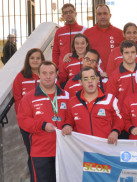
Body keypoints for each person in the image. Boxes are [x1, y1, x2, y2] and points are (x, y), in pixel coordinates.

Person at [17, 61, 69, 182]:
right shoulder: (29, 97)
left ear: (57, 74)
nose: (48, 76)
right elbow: (23, 120)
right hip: (41, 154)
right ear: (38, 75)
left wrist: (68, 125)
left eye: (51, 73)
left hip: (64, 152)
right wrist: (42, 125)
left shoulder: (66, 95)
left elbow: (71, 117)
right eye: (44, 73)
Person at [62, 67, 123, 145]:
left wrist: (115, 131)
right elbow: (68, 120)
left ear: (97, 79)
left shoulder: (110, 99)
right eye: (86, 79)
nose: (90, 81)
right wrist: (67, 126)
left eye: (92, 78)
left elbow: (119, 120)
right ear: (80, 82)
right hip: (83, 150)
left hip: (106, 148)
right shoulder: (73, 102)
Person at [12, 48, 45, 180]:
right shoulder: (20, 77)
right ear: (28, 60)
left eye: (38, 58)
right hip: (27, 124)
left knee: (44, 153)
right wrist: (24, 118)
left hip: (44, 123)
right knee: (32, 153)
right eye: (32, 58)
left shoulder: (46, 75)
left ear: (42, 60)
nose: (35, 60)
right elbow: (17, 99)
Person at [84, 4, 123, 76]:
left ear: (110, 15)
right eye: (99, 14)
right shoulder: (87, 33)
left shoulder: (120, 33)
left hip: (115, 75)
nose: (102, 16)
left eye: (105, 13)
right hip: (94, 75)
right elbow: (81, 53)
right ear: (96, 16)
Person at [52, 3, 86, 71]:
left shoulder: (84, 30)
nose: (68, 14)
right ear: (63, 16)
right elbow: (55, 52)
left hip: (79, 69)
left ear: (75, 13)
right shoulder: (59, 32)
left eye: (70, 12)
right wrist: (55, 68)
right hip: (63, 70)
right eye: (65, 13)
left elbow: (88, 50)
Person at [106, 40, 137, 106]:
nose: (130, 55)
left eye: (133, 52)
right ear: (121, 54)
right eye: (126, 52)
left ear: (136, 53)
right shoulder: (115, 75)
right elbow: (110, 98)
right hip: (122, 114)